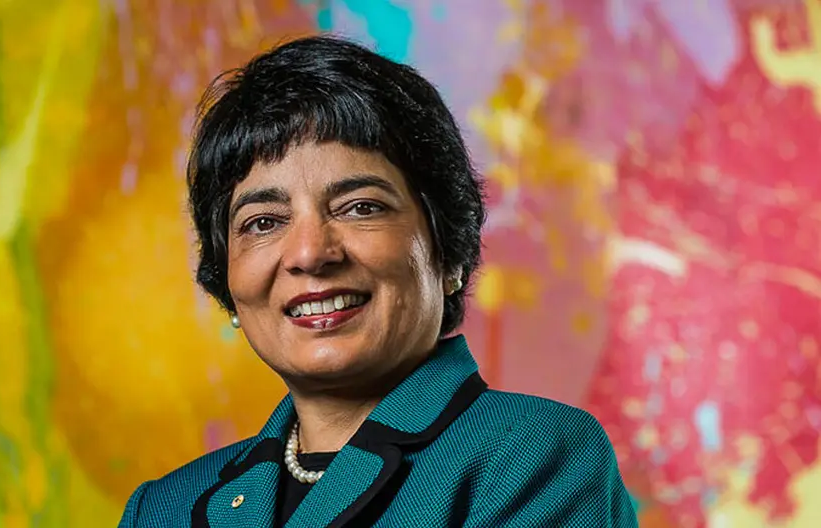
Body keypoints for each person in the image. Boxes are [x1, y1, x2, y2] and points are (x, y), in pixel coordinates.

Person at [119, 34, 638, 528]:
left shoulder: (533, 456)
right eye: (264, 222)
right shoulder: (165, 508)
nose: (309, 254)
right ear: (227, 281)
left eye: (360, 207)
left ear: (447, 252)